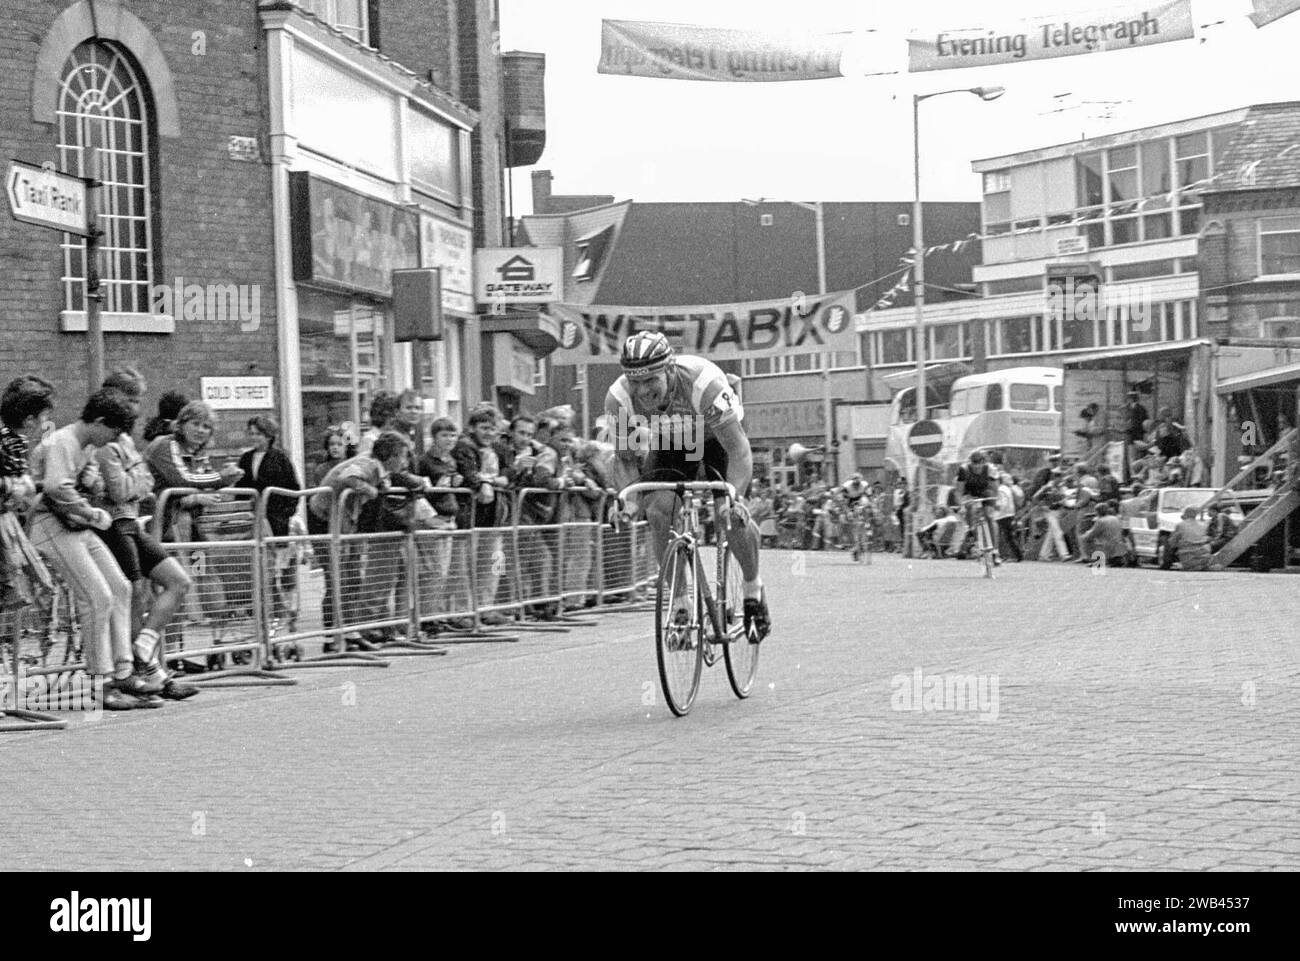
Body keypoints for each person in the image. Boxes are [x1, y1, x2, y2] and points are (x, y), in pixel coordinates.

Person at [604, 331, 769, 641]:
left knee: (729, 517)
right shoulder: (619, 399)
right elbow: (625, 459)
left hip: (718, 439)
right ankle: (680, 601)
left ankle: (752, 589)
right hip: (672, 442)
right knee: (658, 513)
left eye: (650, 380)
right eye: (634, 381)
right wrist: (627, 502)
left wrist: (734, 498)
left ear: (669, 369)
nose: (642, 390)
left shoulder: (703, 385)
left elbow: (739, 451)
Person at [28, 389, 163, 710]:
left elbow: (85, 483)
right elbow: (56, 486)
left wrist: (90, 484)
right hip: (52, 526)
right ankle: (100, 680)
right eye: (113, 432)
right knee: (96, 596)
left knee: (120, 587)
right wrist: (90, 511)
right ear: (100, 422)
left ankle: (124, 671)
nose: (113, 440)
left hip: (75, 524)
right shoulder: (64, 441)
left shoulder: (86, 445)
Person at [93, 369, 198, 700]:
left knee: (179, 581)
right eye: (133, 400)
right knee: (136, 597)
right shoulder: (105, 440)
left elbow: (145, 483)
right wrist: (136, 482)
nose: (138, 408)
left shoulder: (125, 440)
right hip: (113, 525)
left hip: (132, 523)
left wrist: (136, 483)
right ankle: (146, 672)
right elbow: (121, 487)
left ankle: (144, 650)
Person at [307, 431, 414, 650]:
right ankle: (334, 637)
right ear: (391, 456)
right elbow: (348, 477)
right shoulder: (368, 464)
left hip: (345, 520)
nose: (405, 462)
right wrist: (370, 490)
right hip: (325, 517)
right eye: (402, 456)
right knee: (339, 578)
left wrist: (382, 485)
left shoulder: (377, 467)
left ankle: (350, 631)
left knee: (352, 576)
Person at [0, 377, 55, 631]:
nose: (45, 423)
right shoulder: (8, 440)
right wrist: (16, 486)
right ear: (30, 420)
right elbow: (18, 482)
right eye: (44, 417)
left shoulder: (16, 440)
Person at [238, 415, 301, 625]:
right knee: (259, 566)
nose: (254, 438)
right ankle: (267, 608)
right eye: (252, 434)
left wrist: (284, 513)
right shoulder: (246, 459)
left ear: (268, 436)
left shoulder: (280, 458)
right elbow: (241, 487)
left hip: (276, 519)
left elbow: (293, 488)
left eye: (259, 434)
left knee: (276, 567)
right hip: (254, 516)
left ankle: (281, 608)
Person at [454, 407, 512, 626]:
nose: (488, 433)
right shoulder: (464, 447)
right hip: (470, 515)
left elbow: (510, 473)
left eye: (492, 429)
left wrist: (492, 481)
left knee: (493, 565)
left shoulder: (498, 449)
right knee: (463, 567)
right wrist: (487, 481)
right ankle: (464, 612)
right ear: (472, 428)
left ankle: (486, 608)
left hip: (494, 515)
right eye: (484, 428)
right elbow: (469, 474)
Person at [955, 450, 1001, 565]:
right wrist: (961, 506)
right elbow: (959, 492)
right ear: (970, 463)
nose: (976, 467)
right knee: (971, 507)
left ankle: (995, 550)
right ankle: (971, 532)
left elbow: (995, 489)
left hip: (986, 491)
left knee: (990, 516)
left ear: (983, 463)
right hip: (969, 492)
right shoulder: (964, 470)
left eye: (979, 464)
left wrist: (996, 502)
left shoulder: (990, 469)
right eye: (974, 464)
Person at [1080, 502, 1131, 567]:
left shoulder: (1101, 521)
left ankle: (1097, 561)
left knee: (1085, 539)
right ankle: (1115, 559)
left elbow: (1092, 534)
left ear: (1097, 512)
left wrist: (1084, 535)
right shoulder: (1115, 518)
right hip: (1119, 545)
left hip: (1107, 546)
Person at [1166, 506, 1212, 571]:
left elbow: (1172, 543)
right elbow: (1208, 538)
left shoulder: (1180, 525)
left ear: (1186, 514)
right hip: (1204, 557)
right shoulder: (1203, 525)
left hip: (1188, 557)